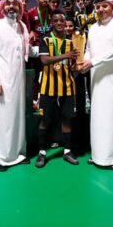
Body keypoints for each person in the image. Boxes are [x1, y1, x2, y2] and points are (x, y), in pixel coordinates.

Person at [78, 0, 113, 169]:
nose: (101, 10)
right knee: (100, 117)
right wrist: (85, 62)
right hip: (98, 80)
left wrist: (93, 62)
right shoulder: (93, 28)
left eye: (105, 6)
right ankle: (100, 154)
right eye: (98, 7)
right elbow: (88, 49)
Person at [0, 0, 36, 170]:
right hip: (2, 82)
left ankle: (17, 153)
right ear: (2, 7)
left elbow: (26, 51)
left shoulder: (21, 26)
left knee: (16, 118)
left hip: (18, 81)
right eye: (8, 4)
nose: (12, 7)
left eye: (15, 4)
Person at [35, 10, 80, 168]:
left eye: (62, 21)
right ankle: (41, 153)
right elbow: (45, 60)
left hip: (67, 87)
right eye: (56, 21)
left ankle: (67, 151)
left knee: (67, 119)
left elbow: (72, 64)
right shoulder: (45, 39)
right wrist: (66, 56)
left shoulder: (70, 41)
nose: (60, 23)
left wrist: (75, 65)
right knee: (45, 120)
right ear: (52, 23)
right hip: (48, 87)